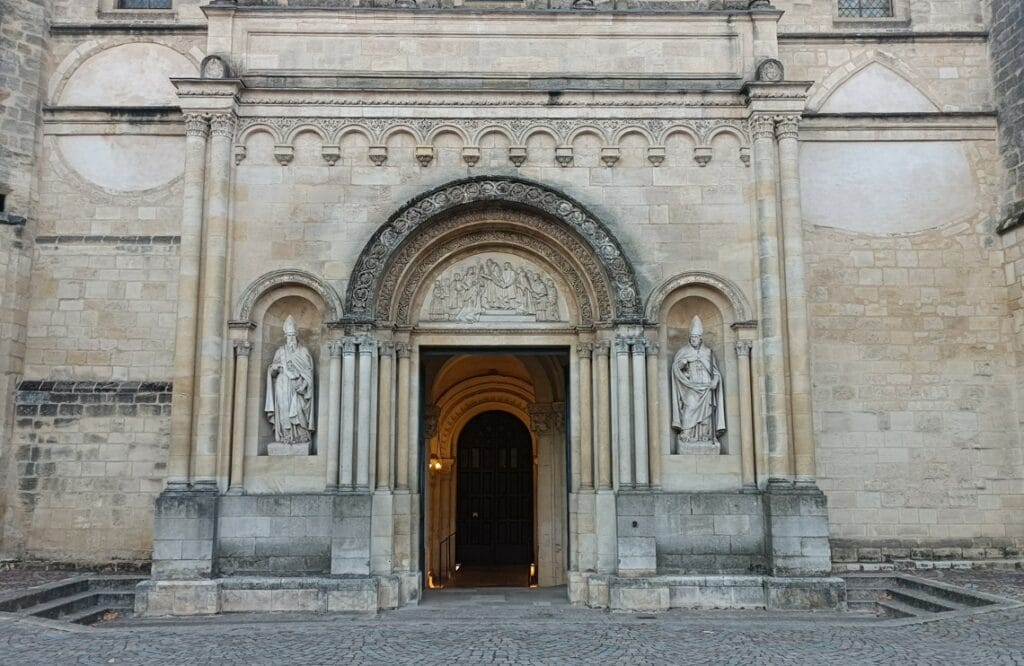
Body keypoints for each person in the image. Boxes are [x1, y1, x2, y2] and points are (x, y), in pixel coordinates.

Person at [671, 315, 725, 446]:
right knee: (689, 407)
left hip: (706, 387)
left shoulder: (708, 352)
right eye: (692, 337)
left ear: (700, 338)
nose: (694, 339)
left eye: (696, 337)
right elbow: (676, 369)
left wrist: (715, 381)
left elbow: (715, 372)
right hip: (691, 387)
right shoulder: (683, 352)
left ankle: (705, 435)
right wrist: (682, 363)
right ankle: (687, 434)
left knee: (707, 413)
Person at [265, 315, 315, 445]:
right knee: (284, 410)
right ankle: (285, 436)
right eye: (288, 336)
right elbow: (272, 369)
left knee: (298, 410)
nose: (290, 339)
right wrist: (276, 368)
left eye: (292, 336)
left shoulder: (303, 351)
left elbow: (308, 372)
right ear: (285, 336)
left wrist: (304, 385)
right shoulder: (280, 351)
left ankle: (300, 435)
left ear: (296, 336)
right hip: (282, 384)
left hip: (297, 387)